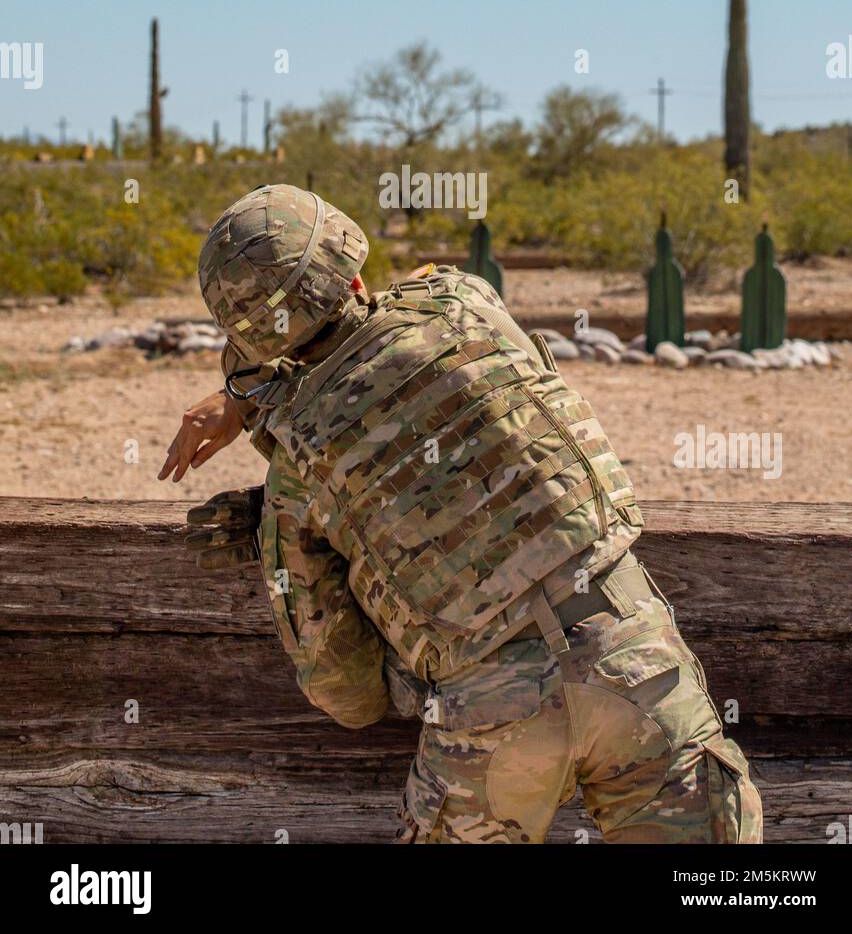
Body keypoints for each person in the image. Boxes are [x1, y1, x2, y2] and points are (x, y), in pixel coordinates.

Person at [163, 183, 763, 845]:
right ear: (351, 263)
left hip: (488, 718)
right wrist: (251, 395)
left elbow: (346, 692)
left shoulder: (294, 477)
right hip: (637, 660)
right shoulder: (464, 300)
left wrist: (251, 398)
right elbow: (393, 334)